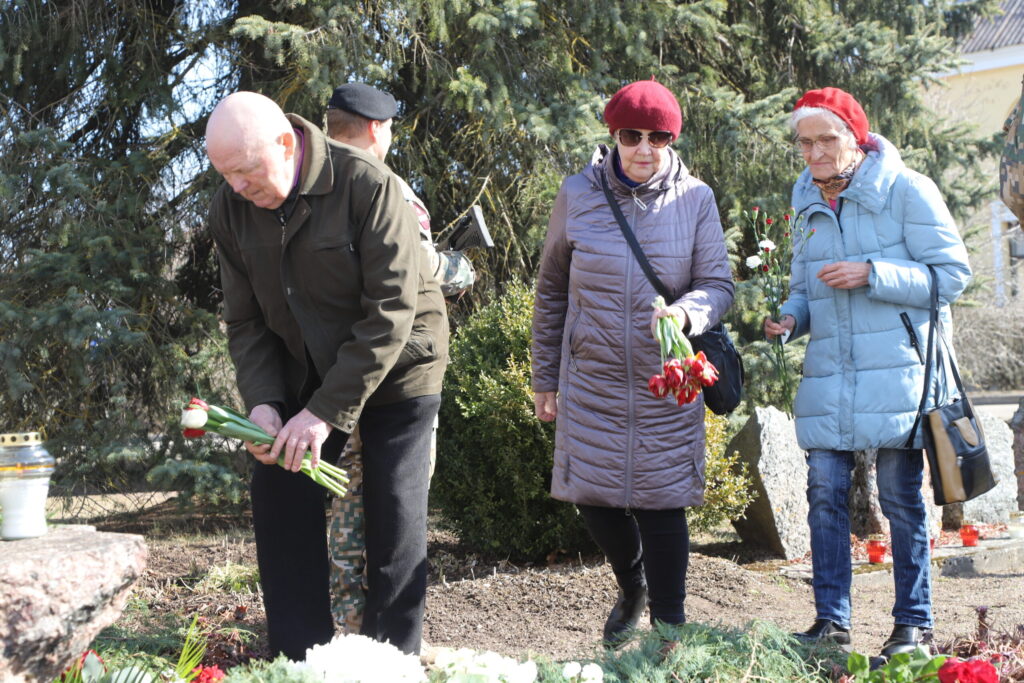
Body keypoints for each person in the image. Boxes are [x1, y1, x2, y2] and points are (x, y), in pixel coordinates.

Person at [204, 91, 448, 659]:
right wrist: (265, 403)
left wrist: (323, 414)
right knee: (279, 490)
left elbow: (390, 311)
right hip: (303, 367)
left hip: (400, 360)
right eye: (225, 175)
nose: (238, 188)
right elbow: (244, 321)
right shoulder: (230, 206)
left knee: (393, 513)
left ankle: (392, 664)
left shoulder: (366, 184)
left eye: (245, 172)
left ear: (286, 144)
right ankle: (298, 661)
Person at [763, 87, 972, 660]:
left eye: (826, 140)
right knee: (823, 491)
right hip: (831, 372)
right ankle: (831, 622)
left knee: (900, 498)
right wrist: (789, 318)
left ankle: (913, 625)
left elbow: (952, 276)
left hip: (900, 373)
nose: (815, 153)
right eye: (805, 143)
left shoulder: (907, 189)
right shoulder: (805, 195)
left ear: (855, 137)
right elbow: (805, 287)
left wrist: (872, 273)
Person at [531, 79, 734, 648]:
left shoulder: (696, 199)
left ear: (673, 138)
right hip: (591, 376)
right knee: (594, 499)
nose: (644, 148)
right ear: (613, 135)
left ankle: (670, 627)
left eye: (658, 137)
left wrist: (687, 316)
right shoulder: (577, 194)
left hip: (666, 380)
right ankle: (632, 585)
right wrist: (544, 377)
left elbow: (718, 284)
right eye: (631, 135)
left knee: (663, 503)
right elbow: (551, 291)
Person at [321, 82, 475, 633]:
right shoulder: (388, 188)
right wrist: (460, 269)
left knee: (341, 502)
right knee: (398, 513)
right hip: (393, 370)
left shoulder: (311, 182)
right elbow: (416, 268)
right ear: (376, 129)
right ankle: (377, 643)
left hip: (331, 374)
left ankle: (339, 629)